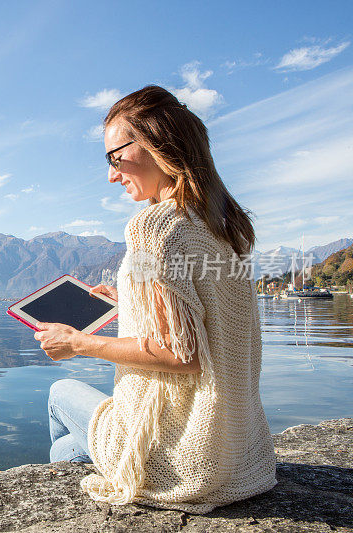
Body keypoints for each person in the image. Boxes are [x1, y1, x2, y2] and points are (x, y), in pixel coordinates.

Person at [35, 85, 277, 513]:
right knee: (73, 449)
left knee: (60, 396)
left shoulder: (154, 228)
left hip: (186, 456)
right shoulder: (225, 224)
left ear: (157, 143)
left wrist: (77, 343)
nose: (112, 173)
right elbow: (208, 317)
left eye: (115, 156)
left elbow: (180, 354)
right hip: (239, 454)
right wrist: (130, 298)